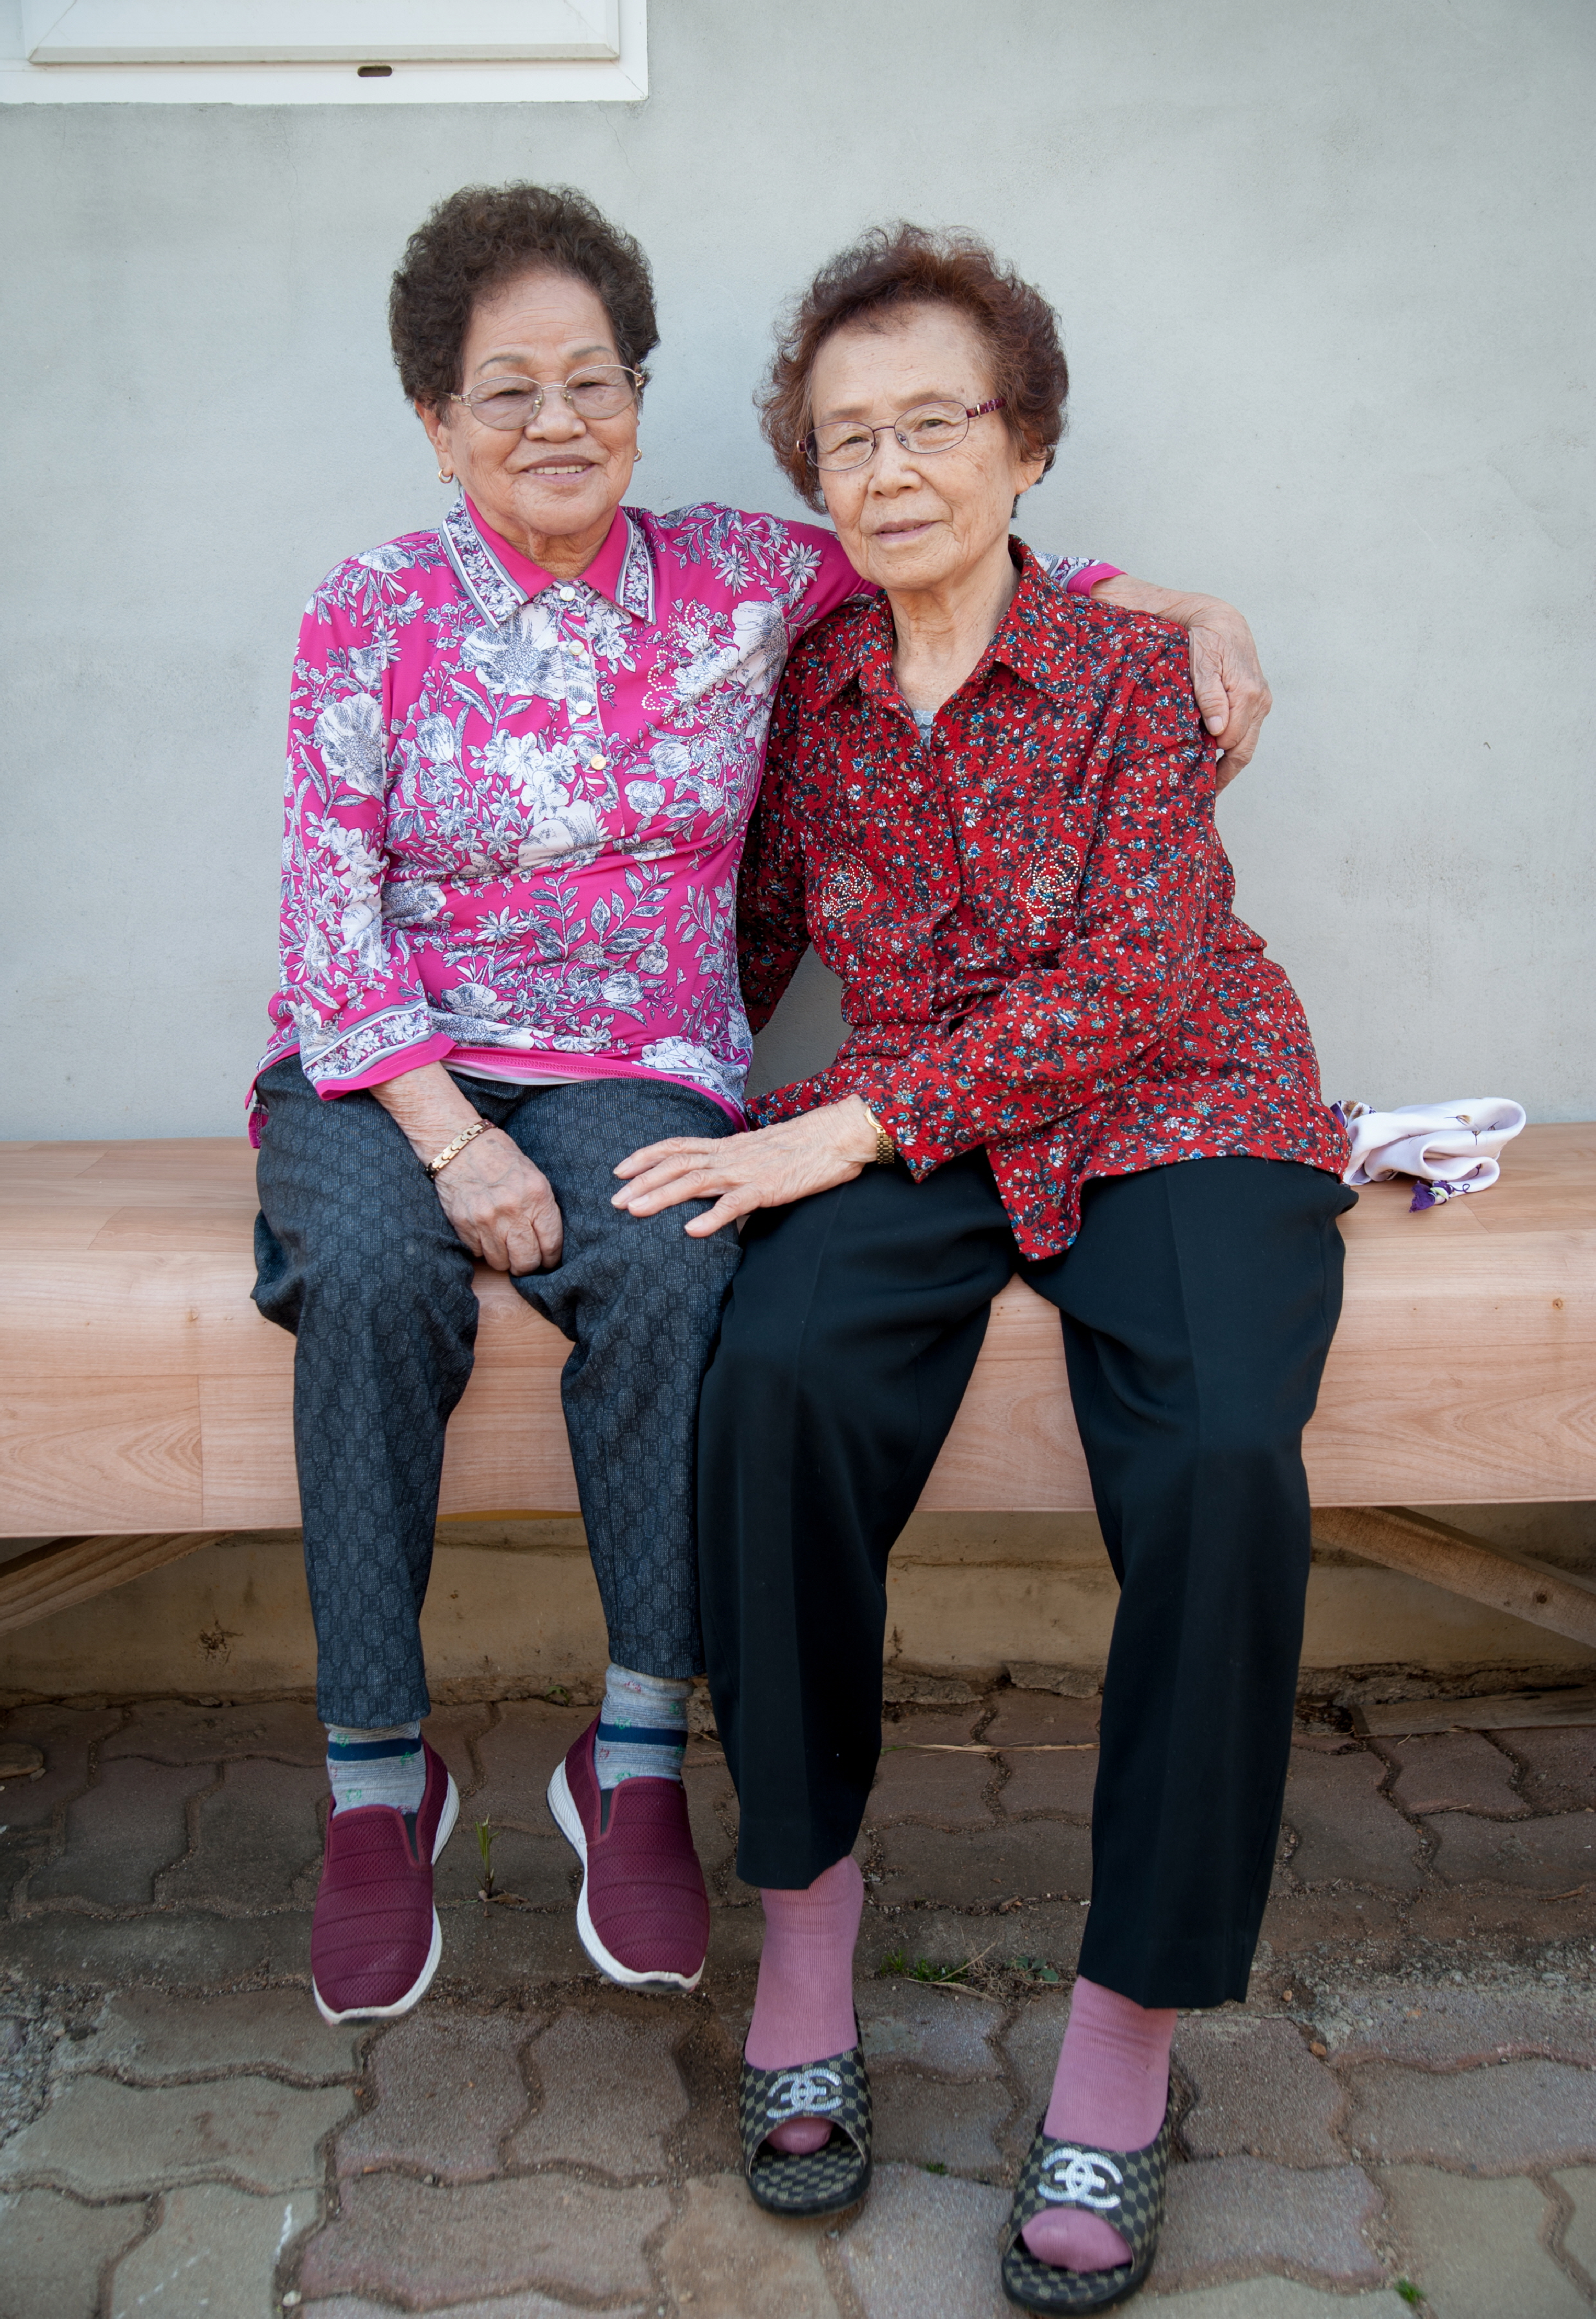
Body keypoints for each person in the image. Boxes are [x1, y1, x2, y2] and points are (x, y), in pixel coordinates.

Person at [249, 179, 1278, 2035]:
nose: (556, 422)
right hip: (391, 1057)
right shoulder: (371, 608)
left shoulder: (740, 574)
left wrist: (1188, 601)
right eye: (505, 391)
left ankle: (636, 1753)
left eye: (593, 380)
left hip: (630, 1061)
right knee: (378, 1281)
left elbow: (947, 535)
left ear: (639, 399)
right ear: (434, 421)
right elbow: (326, 922)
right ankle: (375, 1780)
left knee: (672, 1260)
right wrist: (450, 1139)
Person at [612, 225, 1354, 2310]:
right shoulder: (812, 690)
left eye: (934, 421)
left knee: (1217, 1456)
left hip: (1174, 1102)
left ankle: (1123, 2041)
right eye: (847, 437)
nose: (890, 465)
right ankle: (809, 1933)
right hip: (923, 1121)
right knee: (772, 1385)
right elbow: (729, 938)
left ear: (1024, 444)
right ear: (813, 480)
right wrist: (526, 1089)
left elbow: (1134, 981)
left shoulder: (1133, 676)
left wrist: (841, 1125)